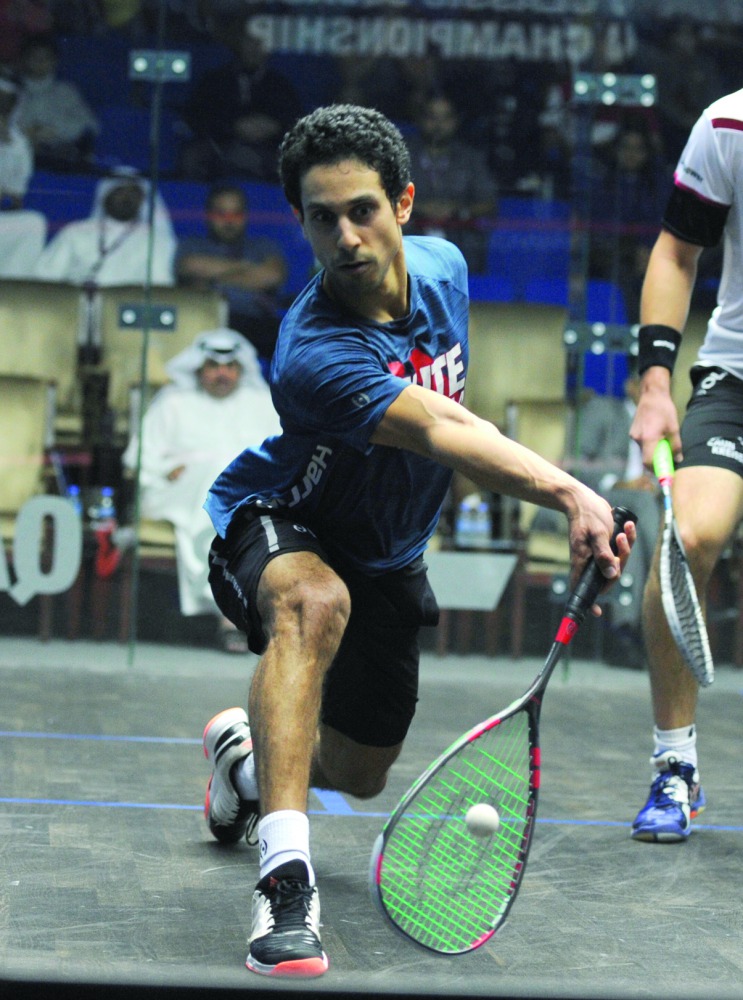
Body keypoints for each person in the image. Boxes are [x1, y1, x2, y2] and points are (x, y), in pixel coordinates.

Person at [199, 104, 634, 978]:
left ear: (403, 201)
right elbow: (436, 423)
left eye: (362, 209)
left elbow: (452, 409)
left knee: (359, 774)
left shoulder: (446, 269)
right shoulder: (310, 353)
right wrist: (567, 491)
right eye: (321, 219)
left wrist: (551, 487)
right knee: (313, 603)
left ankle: (244, 770)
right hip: (281, 515)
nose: (345, 237)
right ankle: (285, 888)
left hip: (391, 553)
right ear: (302, 224)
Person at [629, 87, 743, 843]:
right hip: (735, 377)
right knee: (685, 543)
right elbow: (676, 250)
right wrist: (656, 382)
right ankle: (674, 766)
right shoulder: (730, 123)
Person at [122, 328, 281, 652]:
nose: (222, 373)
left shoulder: (262, 402)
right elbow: (138, 457)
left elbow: (284, 457)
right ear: (198, 369)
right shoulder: (173, 402)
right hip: (176, 494)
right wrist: (168, 469)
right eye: (213, 366)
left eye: (230, 366)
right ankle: (232, 615)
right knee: (218, 481)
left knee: (236, 496)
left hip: (247, 499)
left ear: (240, 369)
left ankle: (233, 613)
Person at [568, 362, 662, 669]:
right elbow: (576, 466)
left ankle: (626, 629)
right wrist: (619, 483)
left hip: (642, 509)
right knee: (643, 511)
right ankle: (651, 624)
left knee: (633, 529)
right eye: (645, 386)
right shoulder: (603, 412)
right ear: (631, 387)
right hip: (602, 501)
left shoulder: (662, 428)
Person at [174, 184, 287, 364]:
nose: (229, 220)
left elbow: (271, 276)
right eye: (221, 213)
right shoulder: (192, 245)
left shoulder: (263, 246)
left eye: (236, 213)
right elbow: (190, 266)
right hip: (204, 322)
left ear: (246, 216)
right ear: (208, 215)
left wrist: (212, 277)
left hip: (255, 323)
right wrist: (246, 267)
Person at [177, 22, 302, 183]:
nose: (254, 48)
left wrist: (274, 126)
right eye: (250, 42)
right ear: (239, 43)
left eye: (261, 43)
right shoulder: (215, 80)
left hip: (268, 150)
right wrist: (233, 125)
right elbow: (196, 115)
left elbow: (295, 120)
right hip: (220, 146)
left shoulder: (280, 84)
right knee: (192, 157)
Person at [32, 167, 176, 286]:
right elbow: (45, 277)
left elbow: (161, 287)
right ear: (105, 195)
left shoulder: (156, 241)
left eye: (134, 193)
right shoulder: (76, 232)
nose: (127, 198)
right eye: (120, 192)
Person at [405, 93, 498, 276]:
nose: (438, 125)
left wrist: (456, 209)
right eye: (432, 117)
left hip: (460, 242)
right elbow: (384, 198)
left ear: (455, 121)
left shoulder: (471, 160)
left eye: (445, 118)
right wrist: (420, 207)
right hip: (410, 239)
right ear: (421, 120)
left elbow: (489, 203)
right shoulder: (402, 157)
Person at [14, 33, 99, 173]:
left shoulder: (66, 91)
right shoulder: (10, 90)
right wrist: (29, 133)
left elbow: (90, 126)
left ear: (55, 61)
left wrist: (55, 130)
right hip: (18, 158)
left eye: (46, 58)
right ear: (24, 60)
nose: (40, 62)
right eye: (34, 57)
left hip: (59, 158)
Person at [0, 73, 46, 278]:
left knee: (33, 223)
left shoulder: (18, 144)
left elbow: (15, 199)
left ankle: (12, 293)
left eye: (7, 102)